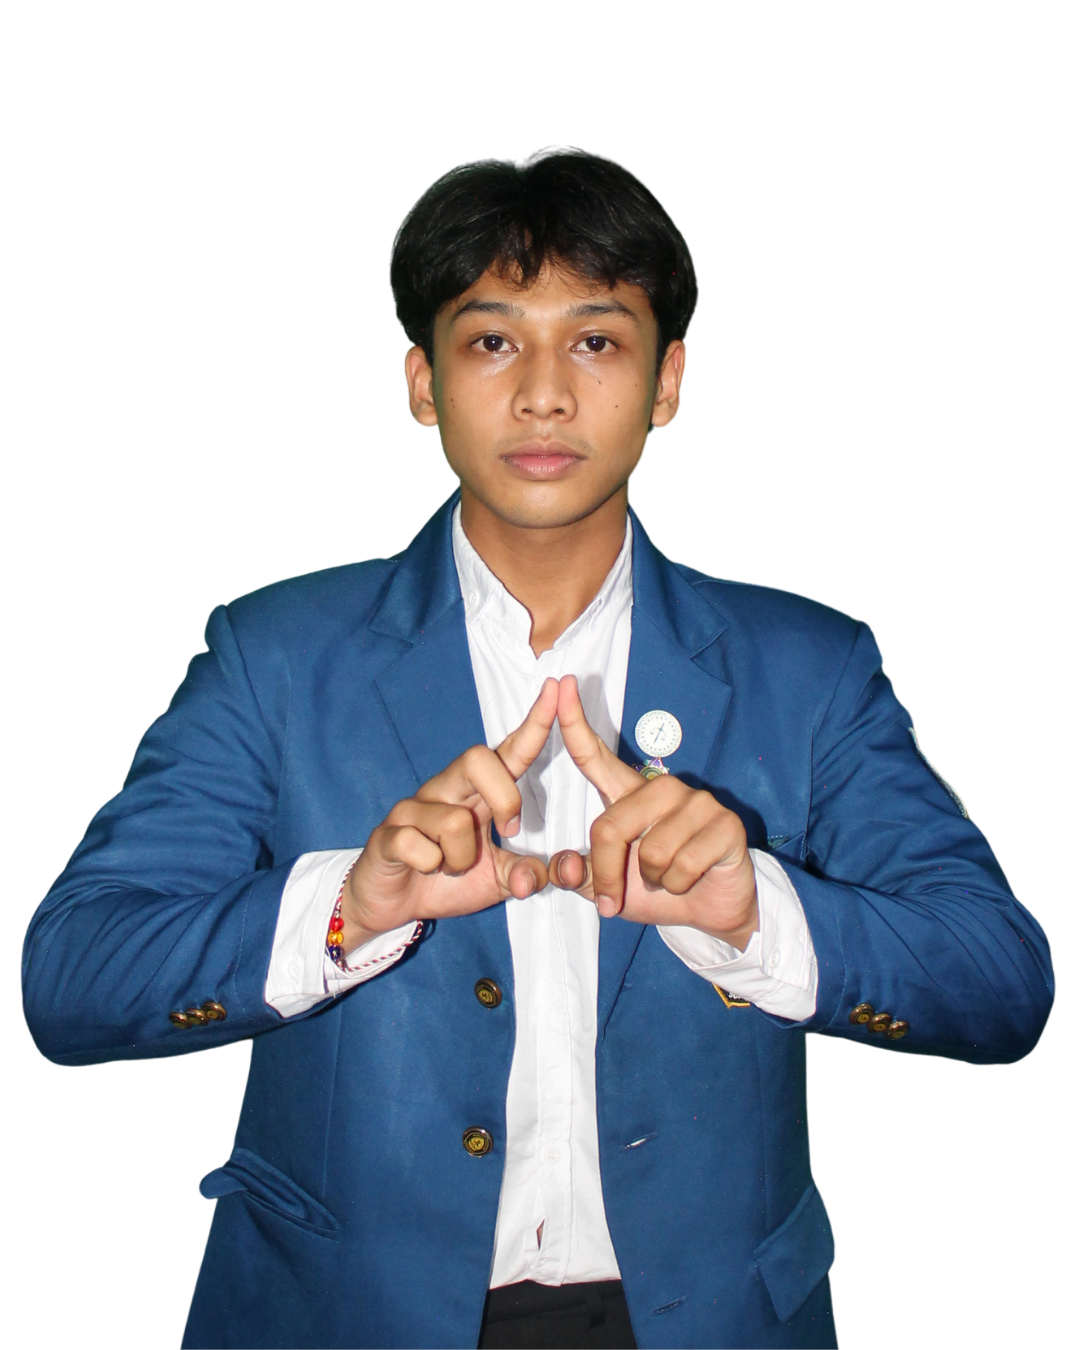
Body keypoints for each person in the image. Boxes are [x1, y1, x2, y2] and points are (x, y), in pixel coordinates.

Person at [20, 151, 1055, 1350]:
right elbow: (73, 981)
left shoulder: (809, 665)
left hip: (713, 1324)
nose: (546, 395)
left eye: (598, 341)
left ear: (668, 382)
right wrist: (344, 911)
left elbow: (1003, 984)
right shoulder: (276, 654)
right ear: (423, 383)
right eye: (493, 341)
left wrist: (760, 917)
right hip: (344, 1318)